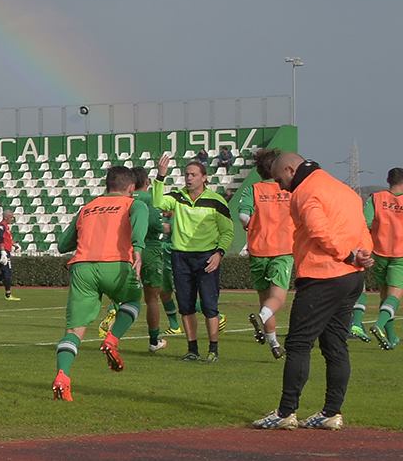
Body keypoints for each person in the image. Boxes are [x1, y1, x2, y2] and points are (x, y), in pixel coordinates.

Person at [251, 150, 374, 430]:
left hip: (322, 276)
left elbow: (318, 231)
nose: (280, 187)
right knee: (335, 346)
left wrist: (347, 255)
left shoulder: (304, 191)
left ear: (291, 171)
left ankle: (285, 412)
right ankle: (332, 412)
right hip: (352, 278)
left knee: (298, 345)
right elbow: (362, 229)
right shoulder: (343, 189)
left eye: (280, 179)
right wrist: (363, 255)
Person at [49, 165, 147, 402]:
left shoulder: (87, 208)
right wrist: (139, 250)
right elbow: (140, 221)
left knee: (74, 330)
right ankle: (112, 340)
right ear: (131, 187)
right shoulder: (133, 204)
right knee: (133, 301)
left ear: (107, 185)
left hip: (82, 267)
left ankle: (62, 376)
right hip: (116, 264)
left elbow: (63, 244)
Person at [152, 152, 233, 361]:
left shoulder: (216, 201)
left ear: (204, 177)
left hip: (207, 257)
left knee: (209, 306)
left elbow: (228, 231)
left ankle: (213, 349)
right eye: (187, 174)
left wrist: (219, 253)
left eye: (194, 175)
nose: (189, 178)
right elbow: (157, 203)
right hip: (181, 257)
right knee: (186, 306)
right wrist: (161, 176)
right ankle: (192, 349)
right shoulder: (177, 197)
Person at [239, 149, 295, 358]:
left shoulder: (253, 190)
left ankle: (273, 343)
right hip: (282, 250)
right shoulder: (289, 190)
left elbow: (244, 216)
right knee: (277, 298)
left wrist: (253, 226)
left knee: (265, 299)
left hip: (258, 250)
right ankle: (261, 318)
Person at [131, 168, 183, 351]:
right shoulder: (150, 199)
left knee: (124, 296)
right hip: (151, 250)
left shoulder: (125, 198)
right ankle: (154, 340)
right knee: (153, 298)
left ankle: (112, 331)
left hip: (126, 250)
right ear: (146, 182)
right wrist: (164, 227)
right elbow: (154, 224)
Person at [361, 166, 403, 349]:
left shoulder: (375, 198)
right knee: (394, 296)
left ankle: (391, 338)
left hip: (379, 253)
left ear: (388, 181)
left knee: (384, 296)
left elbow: (365, 223)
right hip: (400, 255)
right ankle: (378, 325)